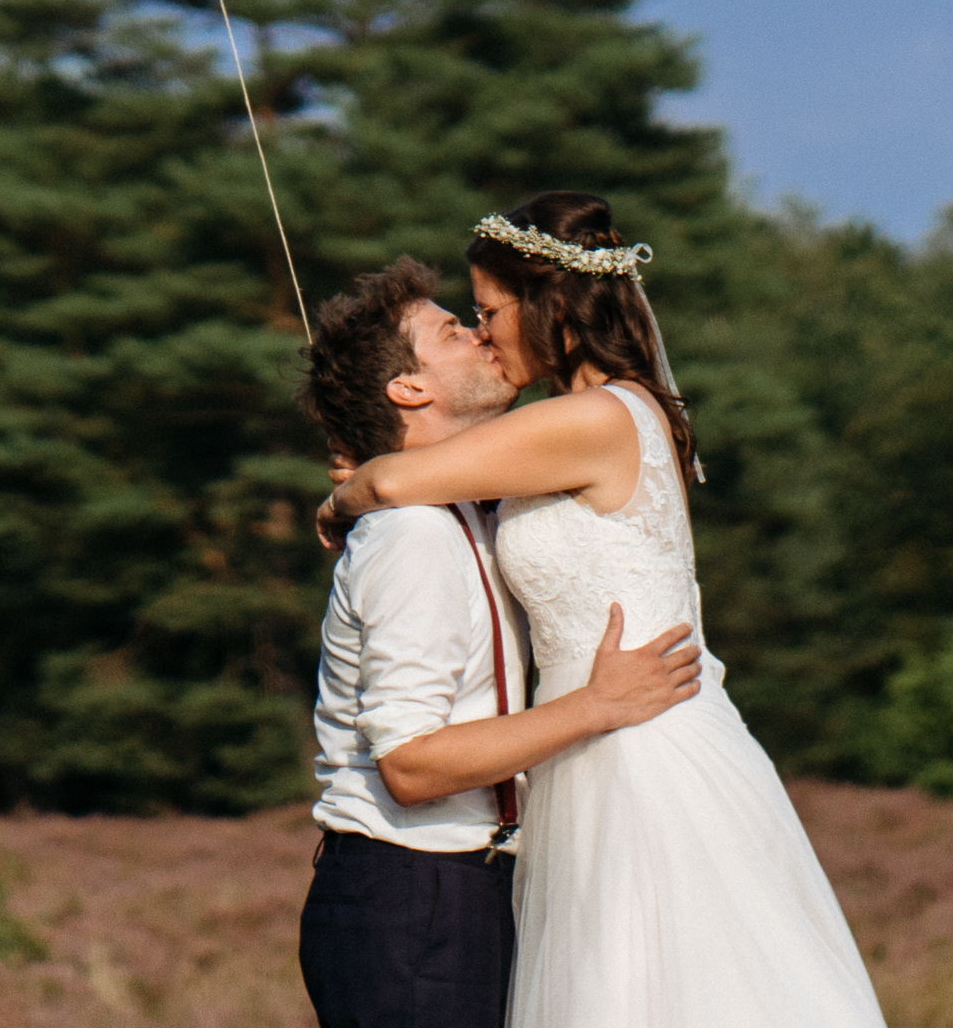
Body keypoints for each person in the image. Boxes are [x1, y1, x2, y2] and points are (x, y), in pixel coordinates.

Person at [317, 196, 889, 1028]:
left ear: (547, 305)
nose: (485, 334)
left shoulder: (592, 417)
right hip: (589, 747)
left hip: (636, 745)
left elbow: (398, 480)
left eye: (489, 312)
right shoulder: (589, 420)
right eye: (469, 320)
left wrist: (340, 502)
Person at [296, 254, 703, 1028]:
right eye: (455, 331)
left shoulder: (469, 508)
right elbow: (411, 765)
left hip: (470, 891)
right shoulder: (413, 537)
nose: (485, 338)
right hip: (416, 900)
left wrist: (361, 480)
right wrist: (597, 707)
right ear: (410, 388)